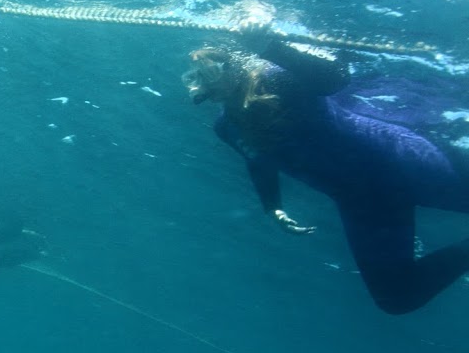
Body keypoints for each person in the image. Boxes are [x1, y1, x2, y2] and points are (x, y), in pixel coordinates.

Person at [183, 38, 469, 314]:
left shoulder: (275, 78)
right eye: (195, 75)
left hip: (402, 164)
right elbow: (257, 160)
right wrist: (273, 206)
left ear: (233, 66)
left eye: (210, 71)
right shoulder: (226, 127)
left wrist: (270, 46)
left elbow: (335, 78)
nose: (202, 82)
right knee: (396, 297)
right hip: (362, 203)